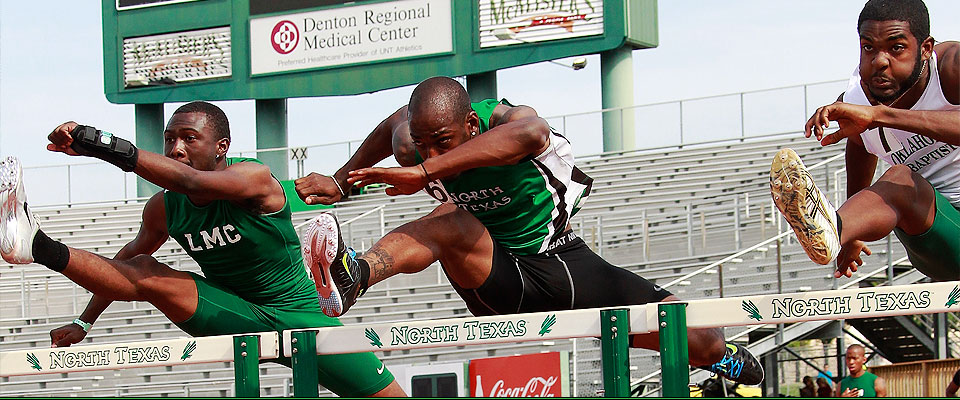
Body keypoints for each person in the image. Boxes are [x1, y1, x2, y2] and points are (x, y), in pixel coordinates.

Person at [293, 76, 764, 385]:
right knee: (450, 222)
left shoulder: (508, 122)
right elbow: (395, 123)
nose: (430, 153)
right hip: (495, 276)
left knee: (699, 336)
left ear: (471, 123)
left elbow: (531, 134)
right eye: (423, 143)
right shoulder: (413, 141)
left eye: (443, 142)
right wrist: (340, 180)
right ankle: (355, 275)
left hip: (560, 262)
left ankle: (716, 357)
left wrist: (424, 173)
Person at [0, 101, 403, 397]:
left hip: (302, 319)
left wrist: (102, 145)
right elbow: (124, 266)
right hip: (230, 311)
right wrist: (86, 321)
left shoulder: (254, 179)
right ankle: (37, 244)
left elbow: (194, 183)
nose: (176, 148)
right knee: (146, 269)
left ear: (221, 147)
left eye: (190, 139)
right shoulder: (164, 208)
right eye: (170, 139)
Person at [769, 0, 959, 281]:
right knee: (900, 181)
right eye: (868, 47)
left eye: (896, 48)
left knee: (901, 179)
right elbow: (859, 148)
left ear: (925, 49)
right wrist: (850, 233)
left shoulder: (951, 67)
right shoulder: (856, 103)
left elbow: (874, 120)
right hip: (938, 237)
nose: (879, 61)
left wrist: (880, 116)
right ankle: (833, 229)